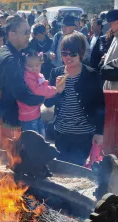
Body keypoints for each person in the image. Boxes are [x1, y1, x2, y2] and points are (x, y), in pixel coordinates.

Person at [44, 33, 105, 165]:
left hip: (83, 134)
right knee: (63, 169)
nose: (68, 57)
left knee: (78, 170)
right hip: (61, 133)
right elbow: (47, 103)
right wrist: (57, 91)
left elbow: (100, 105)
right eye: (64, 53)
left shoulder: (91, 74)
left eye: (73, 54)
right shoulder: (56, 73)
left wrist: (100, 132)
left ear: (81, 53)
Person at [0, 15, 46, 126]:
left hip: (2, 116)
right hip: (8, 121)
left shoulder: (5, 51)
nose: (28, 36)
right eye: (25, 33)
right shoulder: (10, 59)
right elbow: (22, 94)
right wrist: (45, 97)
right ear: (12, 35)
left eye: (29, 32)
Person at [17, 50, 58, 136]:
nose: (34, 68)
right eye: (30, 66)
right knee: (34, 140)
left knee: (41, 136)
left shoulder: (36, 74)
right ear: (24, 65)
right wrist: (55, 89)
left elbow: (43, 87)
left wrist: (51, 89)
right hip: (27, 115)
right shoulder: (27, 76)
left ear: (41, 63)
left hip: (35, 112)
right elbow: (37, 90)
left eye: (37, 65)